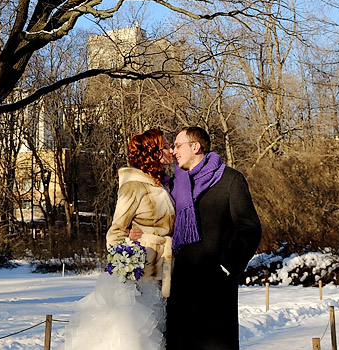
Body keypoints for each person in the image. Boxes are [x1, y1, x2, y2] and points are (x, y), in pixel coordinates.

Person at [65, 129, 176, 350]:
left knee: (159, 326)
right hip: (144, 270)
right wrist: (128, 247)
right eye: (164, 146)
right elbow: (115, 232)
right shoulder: (133, 186)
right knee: (142, 330)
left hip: (163, 265)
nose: (170, 150)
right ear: (152, 153)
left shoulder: (162, 183)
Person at [164, 126, 261, 350]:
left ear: (195, 146)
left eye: (178, 146)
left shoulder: (230, 180)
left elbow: (249, 228)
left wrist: (226, 267)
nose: (174, 151)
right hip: (179, 288)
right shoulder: (174, 185)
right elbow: (160, 222)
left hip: (215, 290)